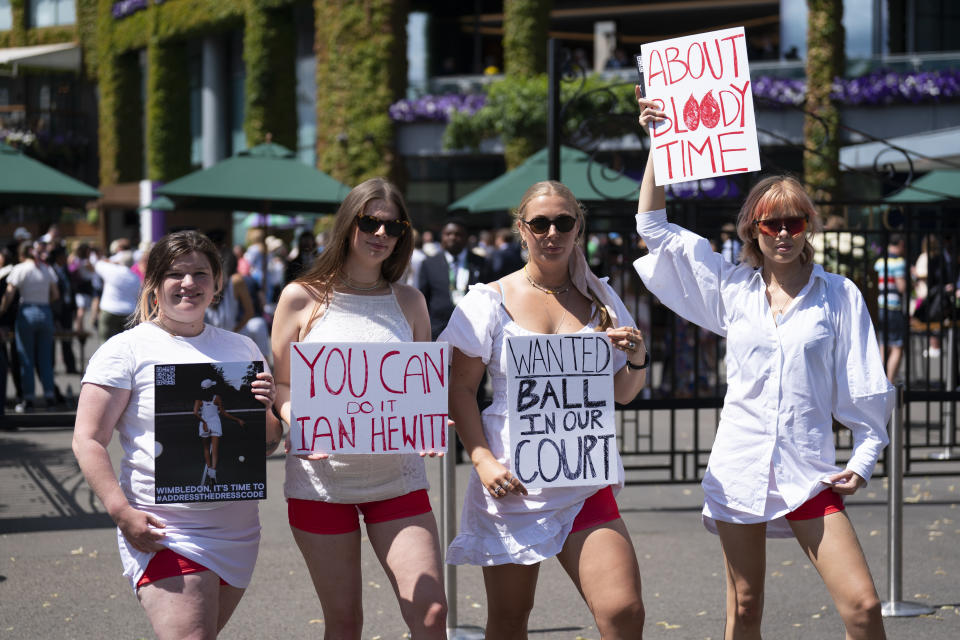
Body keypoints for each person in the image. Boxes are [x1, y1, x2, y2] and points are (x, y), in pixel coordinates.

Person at [633, 91, 894, 639]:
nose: (782, 233)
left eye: (794, 223)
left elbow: (867, 381)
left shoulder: (839, 294)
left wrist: (865, 454)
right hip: (740, 467)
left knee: (864, 607)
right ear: (752, 229)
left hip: (810, 471)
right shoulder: (733, 289)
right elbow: (654, 228)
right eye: (770, 223)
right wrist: (660, 139)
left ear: (808, 229)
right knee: (745, 608)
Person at [442, 180, 648, 638]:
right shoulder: (488, 301)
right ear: (522, 229)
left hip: (582, 481)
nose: (551, 232)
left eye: (563, 222)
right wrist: (482, 460)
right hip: (511, 485)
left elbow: (623, 391)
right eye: (540, 223)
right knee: (511, 619)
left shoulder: (603, 300)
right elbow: (461, 389)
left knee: (623, 611)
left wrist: (636, 356)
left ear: (578, 229)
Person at [72, 230, 280, 639]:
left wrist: (265, 410)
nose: (189, 283)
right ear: (153, 283)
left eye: (200, 273)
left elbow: (268, 443)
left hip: (238, 533)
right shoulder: (125, 350)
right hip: (166, 531)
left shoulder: (243, 349)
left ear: (218, 283)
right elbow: (88, 439)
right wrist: (121, 512)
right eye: (175, 274)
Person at [271, 177, 447, 639]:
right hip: (320, 485)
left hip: (398, 481)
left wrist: (427, 421)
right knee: (345, 623)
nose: (381, 234)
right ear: (348, 223)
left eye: (394, 226)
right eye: (370, 222)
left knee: (431, 616)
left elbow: (420, 383)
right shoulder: (300, 297)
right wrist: (297, 418)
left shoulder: (410, 301)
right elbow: (283, 384)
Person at [0, 240, 59, 413]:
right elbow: (55, 294)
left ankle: (29, 399)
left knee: (26, 358)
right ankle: (50, 397)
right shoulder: (46, 268)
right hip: (45, 310)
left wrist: (2, 310)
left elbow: (9, 294)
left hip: (27, 310)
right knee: (45, 358)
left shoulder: (19, 269)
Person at [418, 217, 488, 341]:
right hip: (438, 331)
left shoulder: (480, 263)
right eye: (448, 234)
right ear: (442, 237)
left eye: (458, 234)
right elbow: (423, 299)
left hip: (473, 331)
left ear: (466, 238)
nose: (452, 237)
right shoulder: (429, 264)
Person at [194, 378, 245, 487]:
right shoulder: (217, 398)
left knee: (206, 448)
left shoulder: (199, 400)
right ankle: (212, 474)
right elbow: (223, 413)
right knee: (215, 451)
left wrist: (204, 422)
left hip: (205, 424)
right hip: (215, 424)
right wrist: (237, 419)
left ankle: (209, 471)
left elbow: (195, 413)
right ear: (211, 388)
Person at [874, 234, 908, 383]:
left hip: (881, 306)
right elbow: (901, 287)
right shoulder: (899, 262)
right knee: (897, 347)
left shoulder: (880, 261)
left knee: (884, 344)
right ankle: (889, 381)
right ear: (900, 243)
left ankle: (879, 381)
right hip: (894, 307)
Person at [94, 246, 141, 342]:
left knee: (105, 343)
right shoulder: (136, 278)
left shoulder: (112, 271)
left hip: (109, 310)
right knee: (126, 344)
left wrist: (112, 262)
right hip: (129, 312)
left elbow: (98, 264)